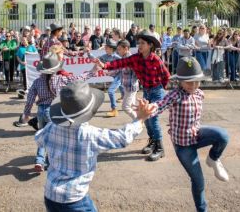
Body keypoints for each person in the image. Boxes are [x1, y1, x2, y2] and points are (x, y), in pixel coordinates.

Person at [35, 80, 155, 211]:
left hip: (50, 194)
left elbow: (39, 138)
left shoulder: (52, 127)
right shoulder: (90, 134)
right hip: (74, 198)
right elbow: (123, 138)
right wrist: (140, 118)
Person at [148, 56, 229, 212]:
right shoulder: (175, 95)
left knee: (223, 135)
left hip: (197, 134)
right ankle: (202, 210)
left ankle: (213, 159)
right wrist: (148, 109)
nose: (193, 85)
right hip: (183, 145)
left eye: (196, 81)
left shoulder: (199, 93)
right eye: (188, 82)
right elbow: (160, 105)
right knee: (199, 181)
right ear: (180, 81)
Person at [96, 29, 170, 161]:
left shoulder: (156, 60)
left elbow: (166, 75)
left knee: (153, 118)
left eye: (142, 43)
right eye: (139, 43)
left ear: (150, 45)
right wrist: (105, 65)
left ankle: (160, 148)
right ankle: (152, 142)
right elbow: (120, 63)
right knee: (146, 119)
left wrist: (161, 89)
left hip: (157, 91)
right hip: (146, 91)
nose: (139, 45)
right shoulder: (135, 58)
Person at [97, 40, 124, 117]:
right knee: (121, 86)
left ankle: (114, 109)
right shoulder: (105, 56)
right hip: (114, 76)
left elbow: (123, 67)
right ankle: (124, 97)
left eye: (107, 47)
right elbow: (96, 59)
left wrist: (113, 72)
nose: (105, 48)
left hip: (119, 75)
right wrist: (89, 54)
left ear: (112, 49)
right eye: (105, 47)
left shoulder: (117, 57)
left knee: (110, 91)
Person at [117, 40, 139, 119]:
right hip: (127, 86)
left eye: (119, 49)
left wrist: (134, 80)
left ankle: (138, 120)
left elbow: (137, 72)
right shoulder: (123, 57)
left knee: (125, 107)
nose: (118, 51)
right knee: (132, 106)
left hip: (131, 86)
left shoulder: (130, 59)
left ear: (126, 48)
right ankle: (137, 121)